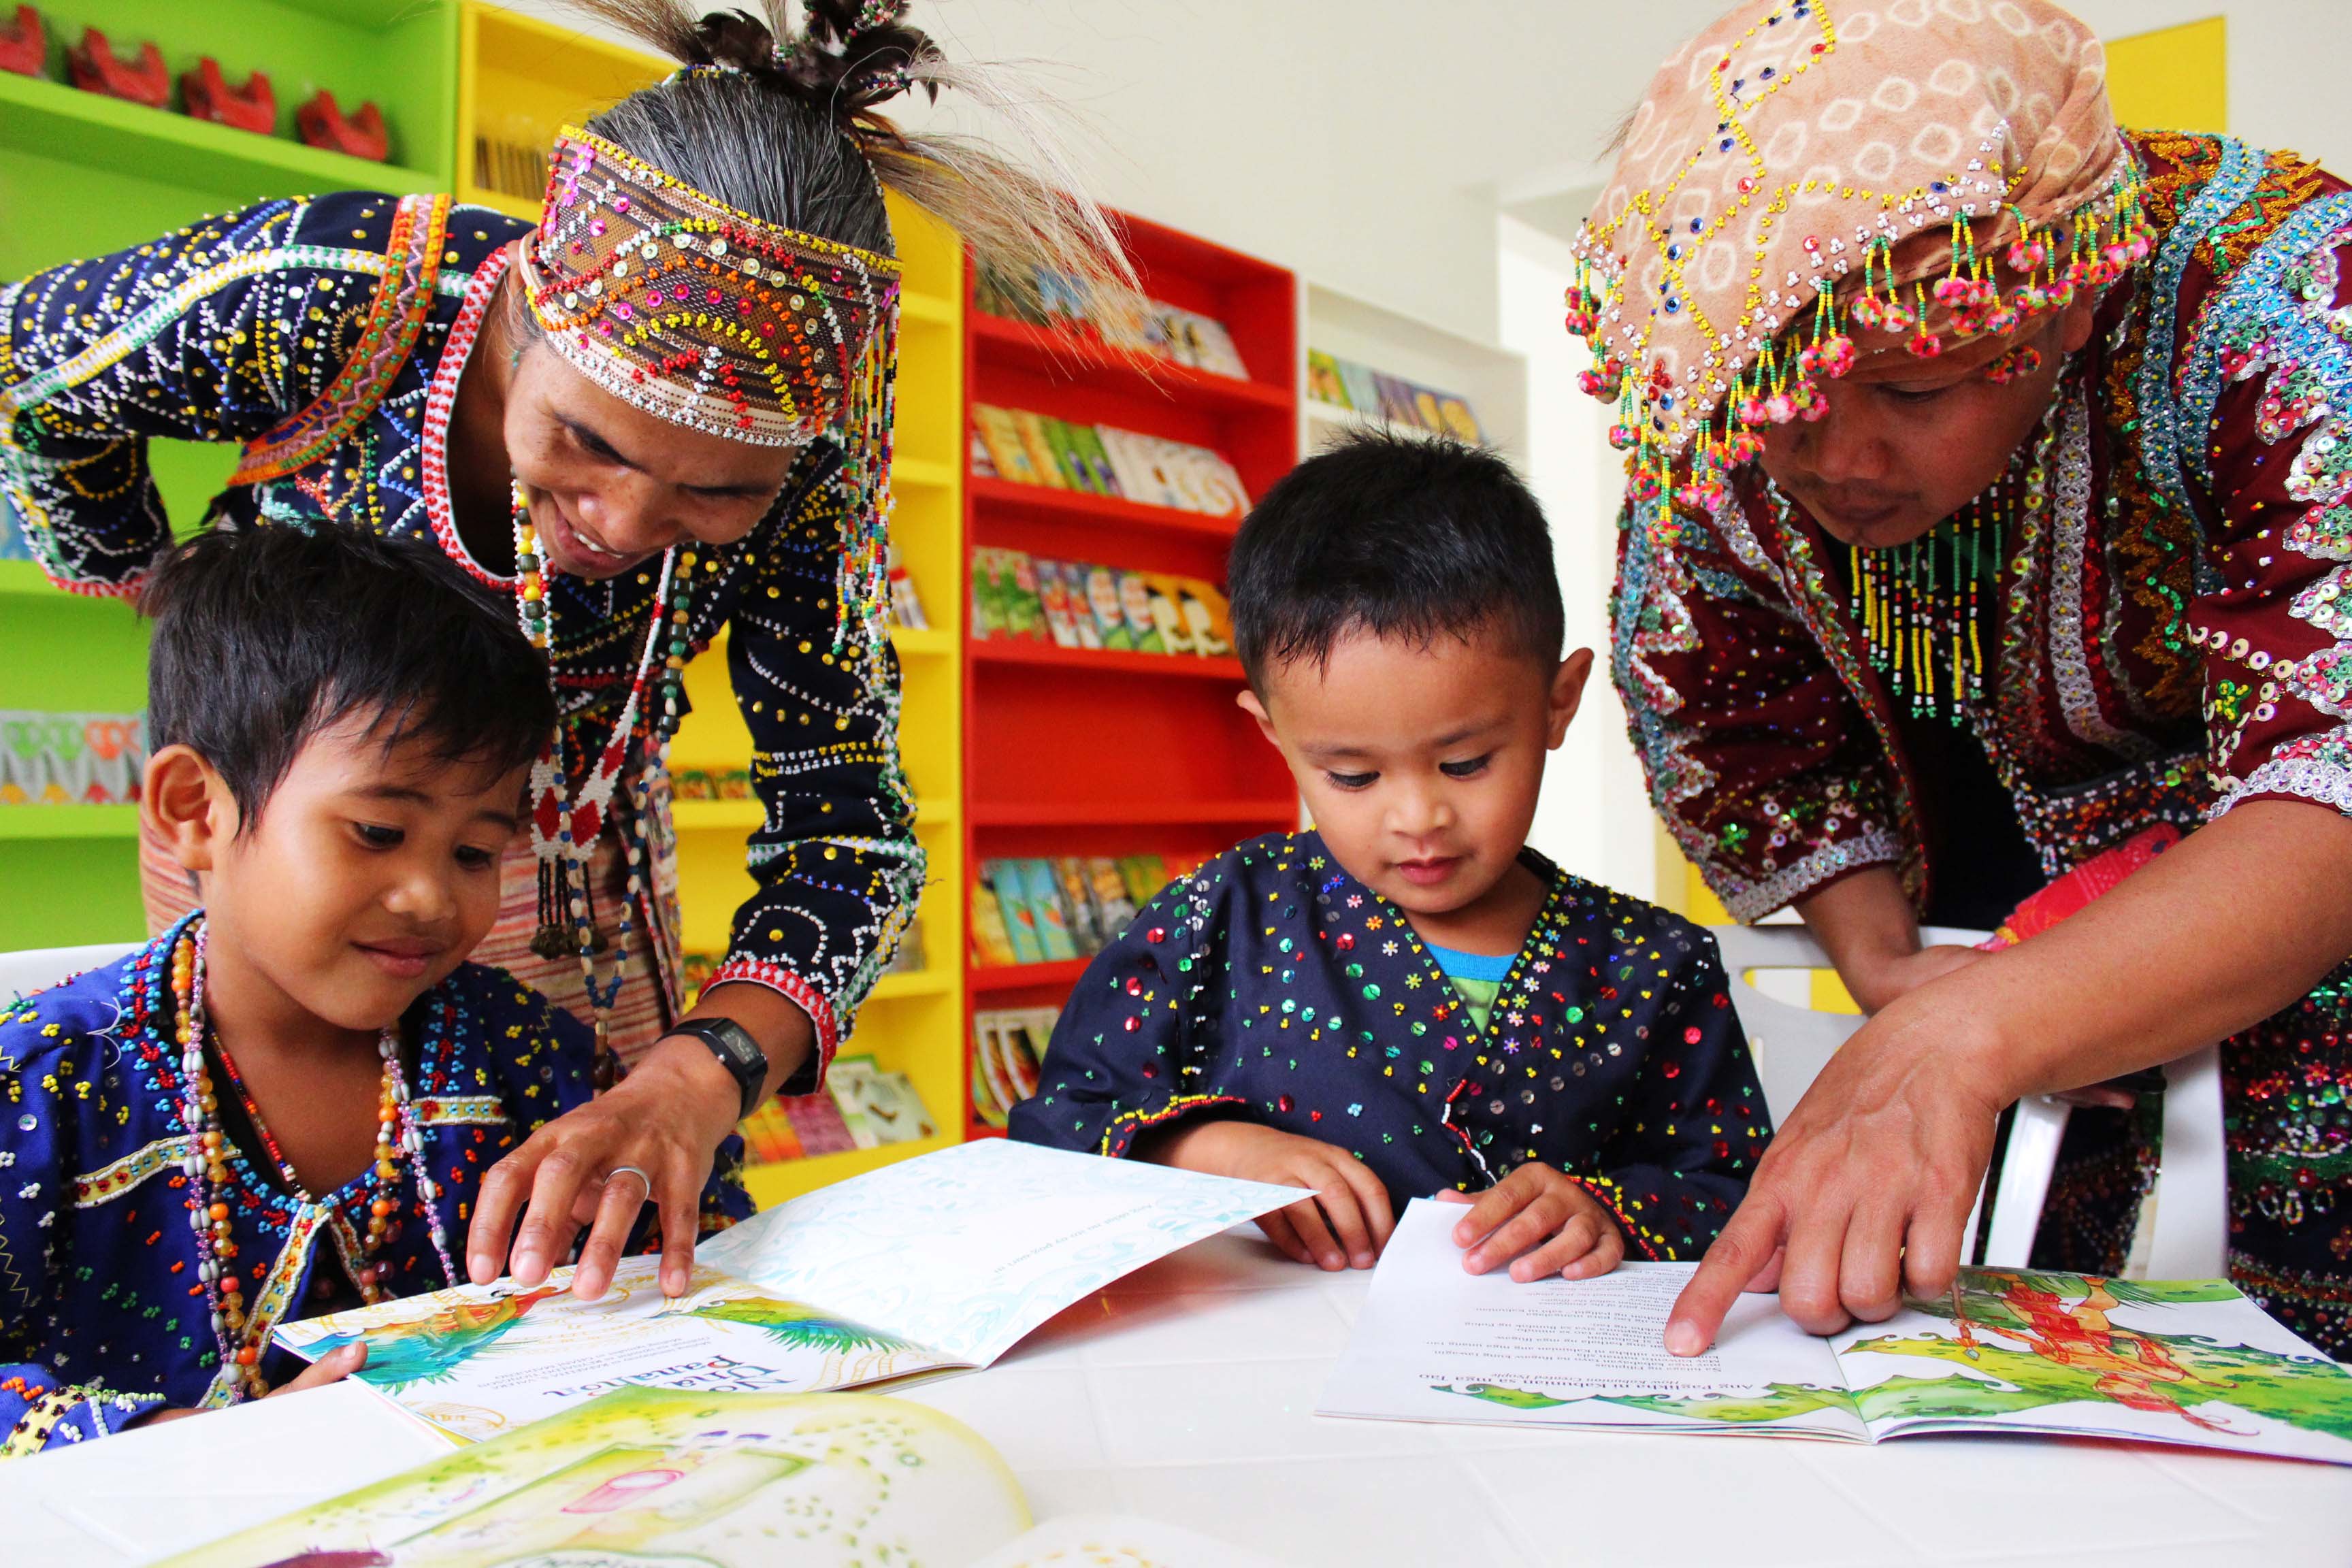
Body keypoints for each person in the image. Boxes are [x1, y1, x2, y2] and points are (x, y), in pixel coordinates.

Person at [0, 0, 1126, 1302]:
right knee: (252, 1231)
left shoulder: (813, 483)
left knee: (585, 1250)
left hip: (572, 864)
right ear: (530, 297)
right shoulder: (334, 298)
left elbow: (852, 839)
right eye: (589, 443)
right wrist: (163, 585)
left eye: (716, 499)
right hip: (299, 833)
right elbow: (34, 374)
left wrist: (694, 1075)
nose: (628, 530)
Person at [1567, 0, 2352, 1357]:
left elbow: (2333, 768)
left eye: (1917, 392)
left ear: (2071, 299)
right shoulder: (1724, 387)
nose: (1832, 460)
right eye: (1780, 399)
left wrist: (1964, 1036)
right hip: (2003, 1014)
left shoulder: (2279, 304)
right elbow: (1729, 725)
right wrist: (1886, 967)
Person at [0, 527, 752, 1454]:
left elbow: (709, 1268)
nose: (430, 897)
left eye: (476, 851)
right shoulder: (45, 1085)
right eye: (376, 832)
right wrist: (167, 1440)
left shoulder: (532, 1061)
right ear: (197, 810)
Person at [1009, 434, 1770, 1277]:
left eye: (1466, 763)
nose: (1418, 817)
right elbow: (1061, 1119)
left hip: (1539, 1381)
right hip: (1260, 1375)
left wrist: (1607, 1213)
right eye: (1353, 775)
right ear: (1277, 738)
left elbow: (1733, 1189)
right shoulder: (1222, 918)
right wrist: (1208, 1149)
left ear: (1558, 704)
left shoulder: (1654, 967)